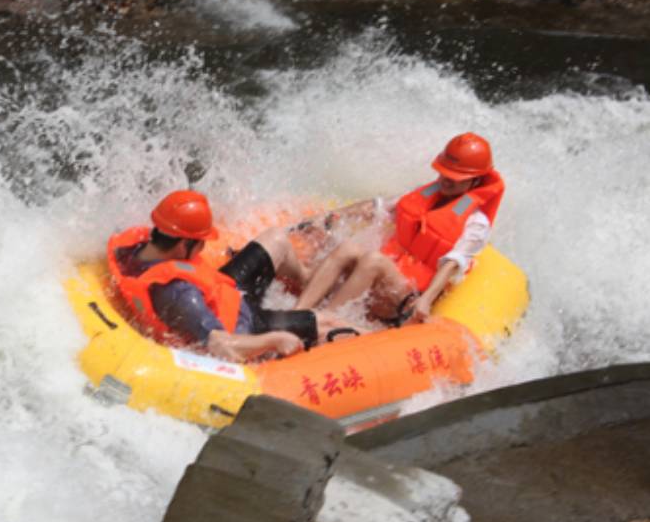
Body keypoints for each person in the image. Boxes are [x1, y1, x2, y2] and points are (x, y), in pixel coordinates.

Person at [108, 190, 360, 363]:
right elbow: (222, 345)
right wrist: (272, 340)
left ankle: (310, 282)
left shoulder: (135, 248)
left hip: (224, 290)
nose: (204, 248)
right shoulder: (179, 293)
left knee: (276, 239)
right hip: (242, 324)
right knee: (331, 323)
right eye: (202, 243)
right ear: (183, 244)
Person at [294, 132, 505, 324]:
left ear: (475, 181)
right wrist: (325, 219)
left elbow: (452, 263)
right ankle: (298, 314)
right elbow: (375, 207)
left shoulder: (477, 224)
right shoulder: (424, 195)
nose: (446, 181)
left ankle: (321, 322)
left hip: (405, 297)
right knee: (349, 248)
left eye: (455, 178)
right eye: (444, 173)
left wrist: (426, 301)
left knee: (374, 260)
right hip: (379, 280)